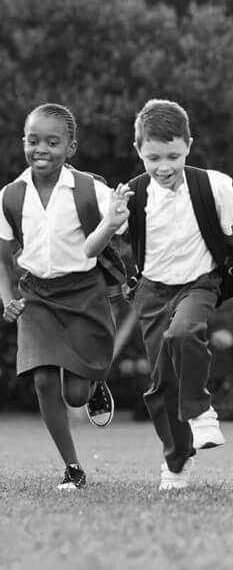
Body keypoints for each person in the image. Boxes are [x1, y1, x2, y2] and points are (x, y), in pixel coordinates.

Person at [84, 99, 233, 491]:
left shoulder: (213, 185)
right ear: (139, 151)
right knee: (161, 385)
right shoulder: (130, 195)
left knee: (183, 333)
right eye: (153, 157)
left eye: (173, 155)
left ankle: (202, 413)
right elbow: (91, 248)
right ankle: (177, 461)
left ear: (189, 144)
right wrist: (111, 221)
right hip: (150, 292)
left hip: (200, 283)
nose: (164, 166)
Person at [0, 103, 122, 491]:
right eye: (33, 140)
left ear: (70, 147)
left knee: (74, 395)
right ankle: (73, 468)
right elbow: (3, 259)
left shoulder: (90, 190)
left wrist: (116, 218)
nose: (41, 149)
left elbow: (108, 231)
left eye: (53, 142)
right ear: (23, 142)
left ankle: (93, 384)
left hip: (84, 294)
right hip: (36, 297)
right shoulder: (10, 196)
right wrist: (6, 299)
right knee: (44, 381)